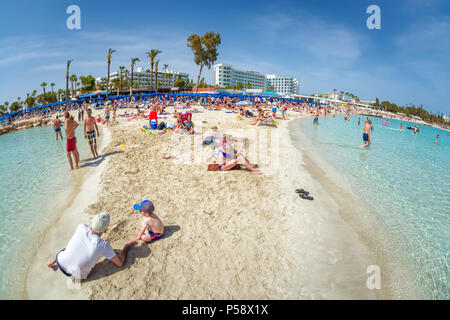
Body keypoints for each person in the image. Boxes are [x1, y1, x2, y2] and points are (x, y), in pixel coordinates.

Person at [46, 212, 136, 280]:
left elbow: (87, 228)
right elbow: (120, 263)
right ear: (105, 230)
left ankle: (51, 262)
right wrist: (126, 247)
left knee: (68, 249)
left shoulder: (81, 227)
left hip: (60, 261)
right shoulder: (103, 245)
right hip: (75, 275)